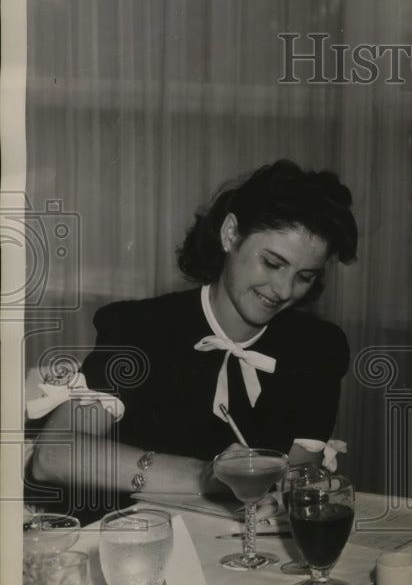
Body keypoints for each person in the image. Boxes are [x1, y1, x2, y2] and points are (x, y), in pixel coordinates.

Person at [29, 159, 358, 520]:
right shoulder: (139, 328)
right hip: (136, 543)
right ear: (231, 234)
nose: (283, 290)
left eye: (304, 276)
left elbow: (296, 482)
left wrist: (282, 494)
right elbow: (53, 457)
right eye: (272, 263)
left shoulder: (318, 348)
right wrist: (204, 476)